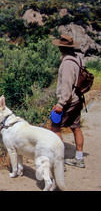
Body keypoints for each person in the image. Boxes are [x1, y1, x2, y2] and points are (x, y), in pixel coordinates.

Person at [51, 35, 85, 168]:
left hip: (68, 101)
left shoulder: (66, 63)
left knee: (55, 129)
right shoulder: (78, 59)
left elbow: (66, 85)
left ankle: (60, 162)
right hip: (77, 99)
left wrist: (60, 104)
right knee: (76, 128)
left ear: (61, 47)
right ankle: (79, 159)